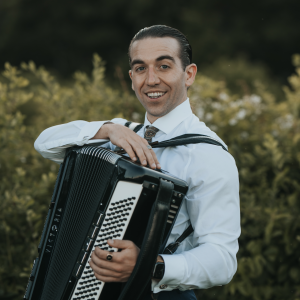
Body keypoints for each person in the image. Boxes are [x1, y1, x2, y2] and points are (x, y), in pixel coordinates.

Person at [34, 25, 240, 300]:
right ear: (132, 78)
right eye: (141, 68)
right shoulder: (118, 134)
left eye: (164, 66)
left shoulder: (208, 155)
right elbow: (45, 143)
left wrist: (149, 266)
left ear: (188, 74)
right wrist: (107, 128)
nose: (151, 79)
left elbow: (223, 260)